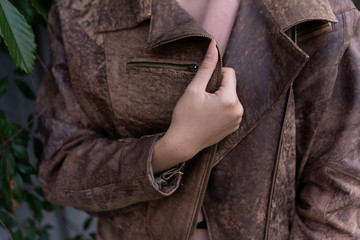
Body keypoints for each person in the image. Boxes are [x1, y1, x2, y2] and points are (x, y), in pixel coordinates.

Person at [35, 0, 360, 239]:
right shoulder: (84, 11)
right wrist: (169, 150)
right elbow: (61, 167)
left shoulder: (321, 13)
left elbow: (337, 188)